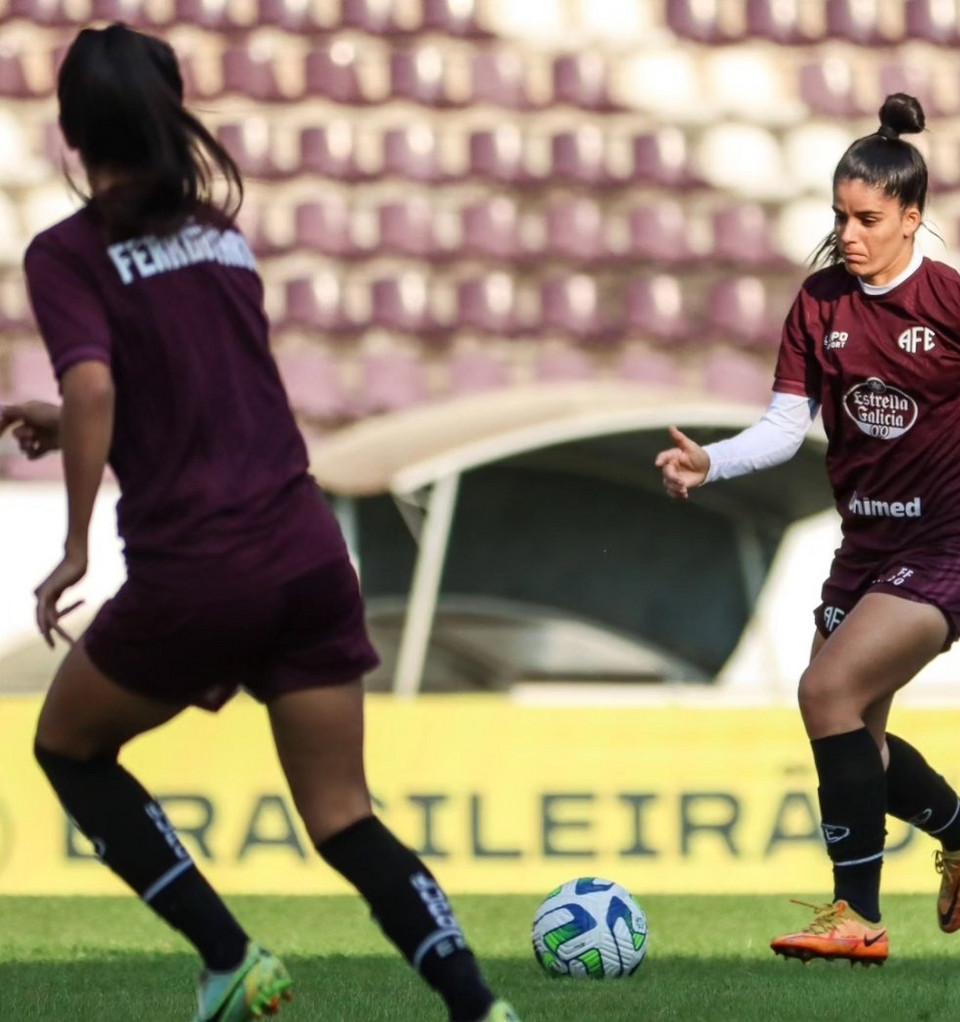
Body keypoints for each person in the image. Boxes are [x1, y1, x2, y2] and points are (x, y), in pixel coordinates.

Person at [0, 24, 519, 1022]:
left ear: (71, 129)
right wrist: (69, 424)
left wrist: (74, 542)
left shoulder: (66, 252)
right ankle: (474, 1004)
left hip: (200, 564)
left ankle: (231, 955)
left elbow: (101, 382)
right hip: (306, 551)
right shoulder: (220, 232)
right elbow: (194, 389)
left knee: (67, 746)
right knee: (341, 814)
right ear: (169, 106)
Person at [655, 93, 960, 965]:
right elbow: (786, 428)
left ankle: (858, 915)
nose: (849, 234)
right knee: (853, 734)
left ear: (912, 217)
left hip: (954, 550)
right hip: (862, 554)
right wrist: (710, 461)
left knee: (823, 695)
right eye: (839, 216)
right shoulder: (818, 305)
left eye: (867, 218)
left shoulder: (958, 302)